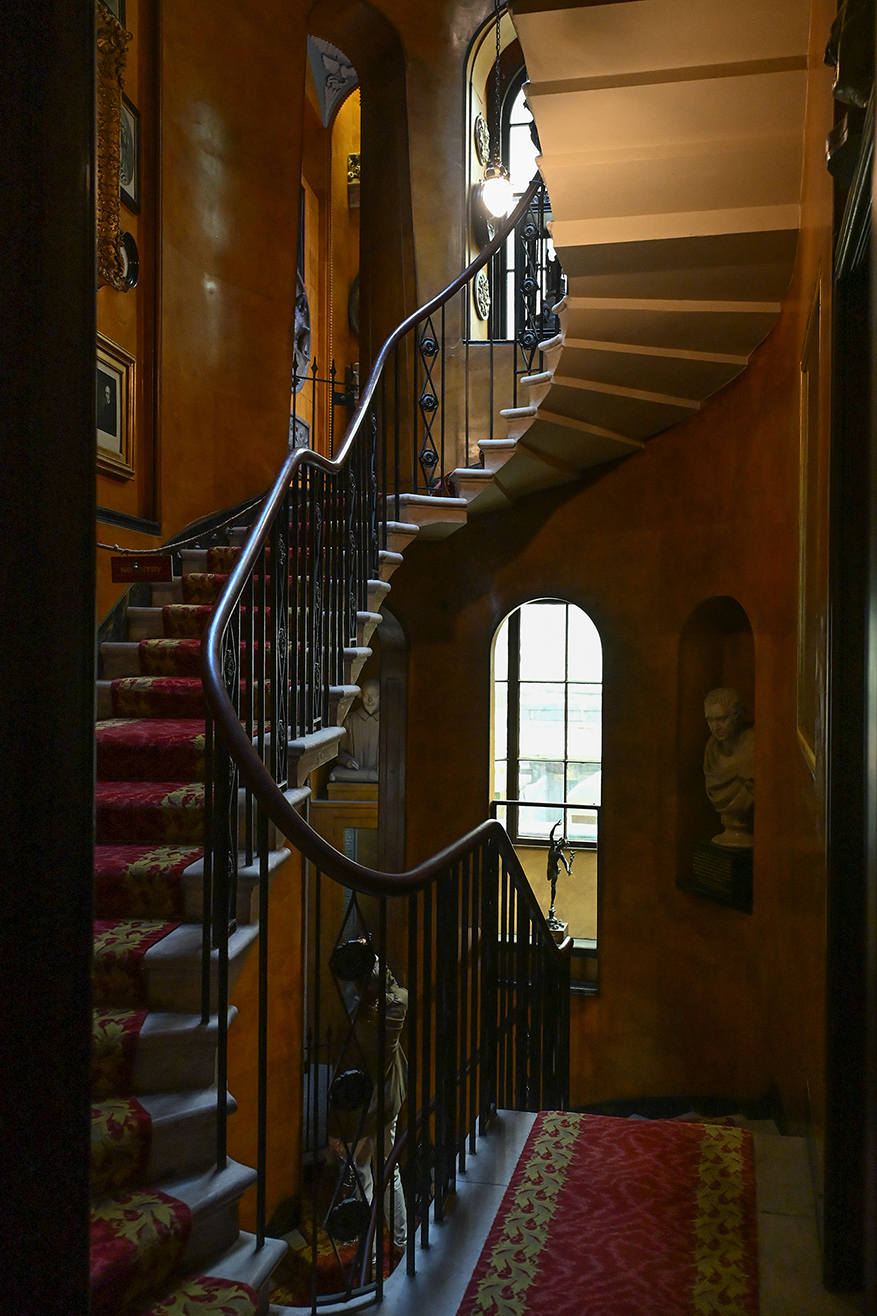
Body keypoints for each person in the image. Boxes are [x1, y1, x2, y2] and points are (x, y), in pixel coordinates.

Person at [350, 959, 408, 1255]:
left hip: (366, 1105)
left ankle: (370, 1254)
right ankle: (400, 1242)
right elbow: (394, 987)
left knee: (364, 1177)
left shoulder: (362, 1020)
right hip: (387, 1102)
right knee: (388, 1171)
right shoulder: (397, 1002)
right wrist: (373, 960)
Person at [703, 687, 754, 847]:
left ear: (737, 716)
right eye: (710, 720)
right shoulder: (711, 748)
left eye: (722, 719)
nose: (715, 727)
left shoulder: (754, 747)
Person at [330, 679, 380, 782]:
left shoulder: (390, 721)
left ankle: (373, 775)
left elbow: (396, 753)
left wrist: (385, 765)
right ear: (361, 696)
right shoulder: (350, 720)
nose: (370, 700)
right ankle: (370, 776)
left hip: (379, 772)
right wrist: (347, 760)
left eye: (374, 695)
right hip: (355, 772)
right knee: (334, 774)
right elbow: (340, 752)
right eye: (366, 695)